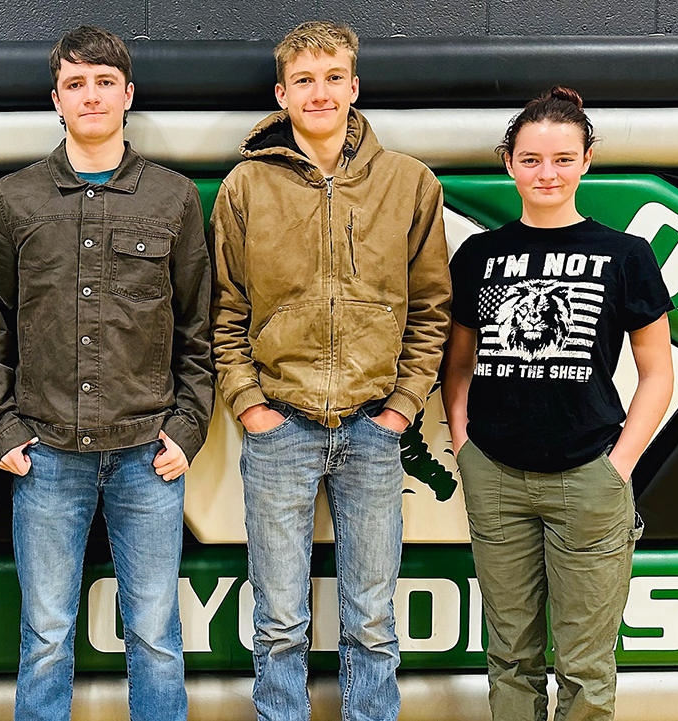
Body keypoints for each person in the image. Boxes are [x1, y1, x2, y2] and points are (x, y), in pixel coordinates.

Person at [210, 20, 452, 721]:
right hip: (278, 426)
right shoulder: (246, 186)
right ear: (282, 93)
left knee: (372, 623)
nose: (320, 93)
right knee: (279, 622)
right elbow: (224, 312)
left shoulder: (408, 184)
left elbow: (432, 309)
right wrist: (251, 405)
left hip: (374, 430)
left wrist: (402, 406)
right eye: (304, 81)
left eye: (333, 77)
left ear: (354, 85)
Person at [0, 25, 213, 721]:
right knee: (46, 635)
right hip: (45, 456)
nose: (91, 95)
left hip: (148, 455)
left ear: (128, 94)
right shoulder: (15, 200)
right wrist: (2, 427)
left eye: (104, 81)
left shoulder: (170, 199)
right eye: (76, 83)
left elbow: (198, 326)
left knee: (154, 633)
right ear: (56, 99)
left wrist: (188, 426)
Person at [442, 86, 673, 721]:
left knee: (585, 664)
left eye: (563, 158)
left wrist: (618, 465)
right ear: (509, 162)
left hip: (590, 478)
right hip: (497, 478)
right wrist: (465, 447)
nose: (548, 172)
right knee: (510, 657)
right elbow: (457, 366)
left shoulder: (625, 254)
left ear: (587, 160)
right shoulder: (480, 257)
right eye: (532, 159)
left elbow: (658, 375)